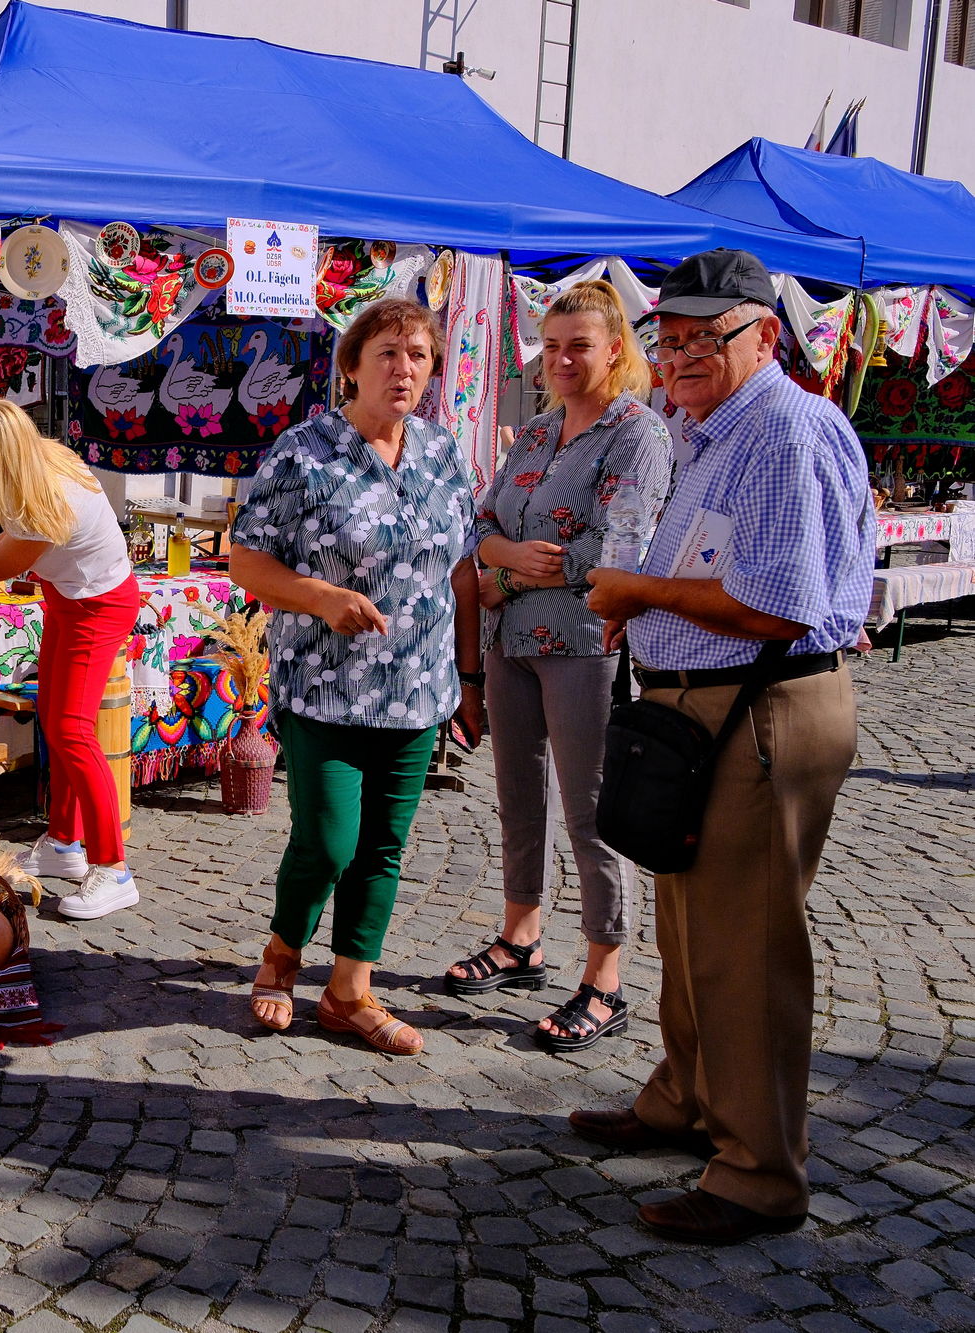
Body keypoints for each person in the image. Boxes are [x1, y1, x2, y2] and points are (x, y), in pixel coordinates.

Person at [575, 249, 870, 1244]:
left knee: (744, 947)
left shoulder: (780, 430)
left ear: (764, 336)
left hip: (762, 706)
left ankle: (757, 1175)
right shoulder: (706, 429)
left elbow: (777, 605)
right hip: (707, 706)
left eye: (708, 337)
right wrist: (644, 612)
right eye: (671, 337)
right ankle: (684, 1102)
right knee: (695, 929)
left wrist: (636, 596)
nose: (684, 355)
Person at [228, 297, 482, 1057]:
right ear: (350, 366)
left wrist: (470, 674)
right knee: (328, 842)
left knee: (383, 847)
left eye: (418, 356)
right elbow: (245, 560)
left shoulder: (442, 454)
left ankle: (348, 992)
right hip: (324, 685)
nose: (403, 369)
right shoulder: (303, 452)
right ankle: (281, 953)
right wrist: (321, 597)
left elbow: (460, 572)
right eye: (387, 354)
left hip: (417, 688)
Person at [444, 281, 674, 1052]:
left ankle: (605, 975)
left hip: (583, 643)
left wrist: (502, 571)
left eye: (579, 344)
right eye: (551, 344)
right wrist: (506, 555)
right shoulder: (538, 433)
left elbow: (619, 549)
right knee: (517, 798)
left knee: (592, 811)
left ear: (615, 349)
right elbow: (482, 520)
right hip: (511, 644)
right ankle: (521, 938)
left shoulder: (635, 433)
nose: (562, 358)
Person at [0, 399, 141, 921]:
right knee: (54, 719)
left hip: (99, 607)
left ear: (3, 452)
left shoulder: (49, 499)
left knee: (72, 730)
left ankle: (113, 868)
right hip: (72, 599)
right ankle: (64, 843)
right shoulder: (42, 463)